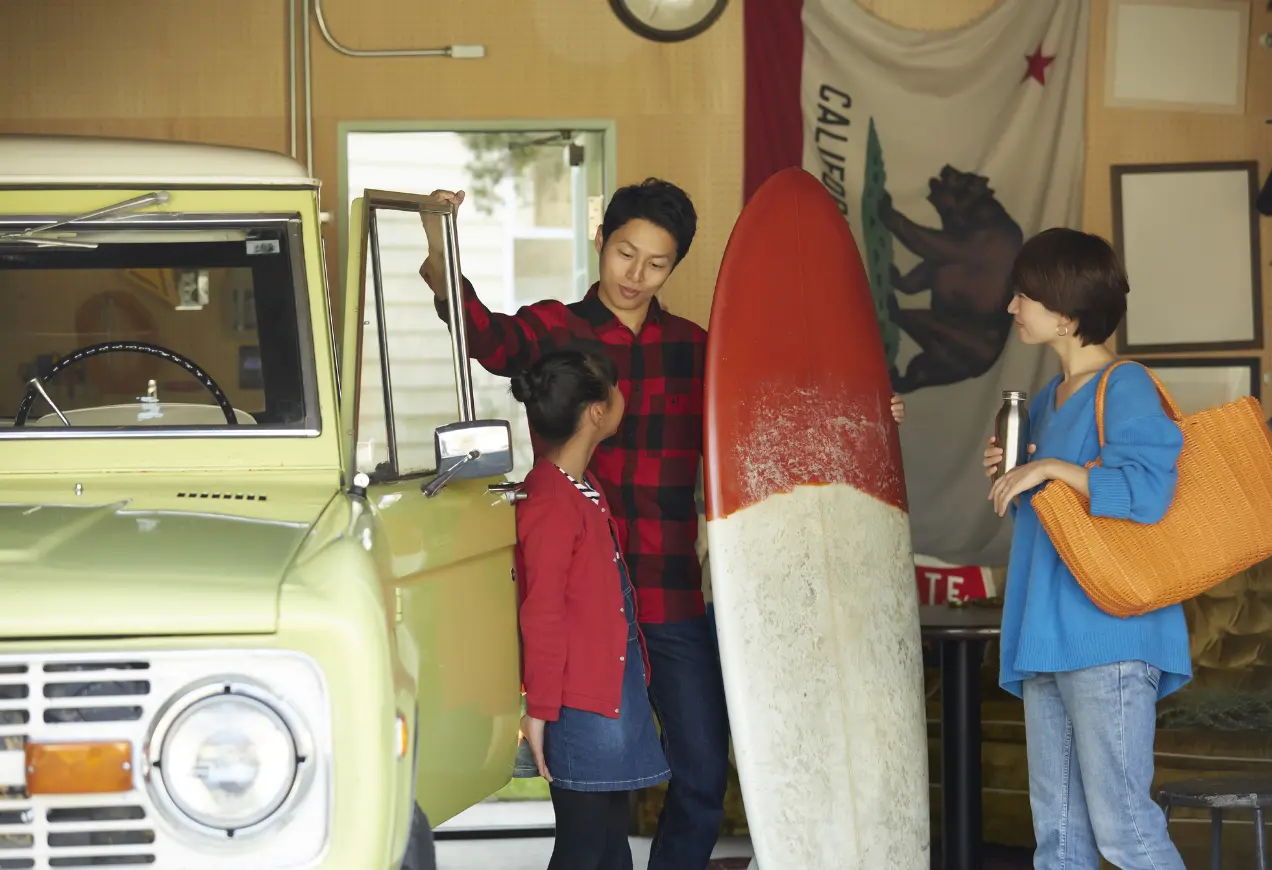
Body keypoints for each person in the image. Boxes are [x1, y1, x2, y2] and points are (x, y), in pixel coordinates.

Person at [422, 179, 904, 869]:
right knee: (594, 803)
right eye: (625, 253)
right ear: (602, 240)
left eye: (656, 263)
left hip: (673, 589)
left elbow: (774, 417)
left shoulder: (698, 348)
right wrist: (440, 251)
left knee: (704, 772)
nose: (635, 275)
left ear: (674, 266)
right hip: (588, 601)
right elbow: (487, 338)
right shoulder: (558, 327)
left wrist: (868, 414)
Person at [983, 227, 1190, 870]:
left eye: (1025, 296)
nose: (1012, 307)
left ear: (1067, 312)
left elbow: (1148, 491)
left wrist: (1049, 470)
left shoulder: (1124, 385)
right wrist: (1019, 474)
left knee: (1124, 830)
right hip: (1047, 637)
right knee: (1060, 841)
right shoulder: (1046, 401)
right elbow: (1057, 518)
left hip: (1108, 639)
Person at [512, 348, 670, 870]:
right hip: (579, 703)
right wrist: (539, 710)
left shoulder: (582, 485)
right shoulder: (551, 500)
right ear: (597, 413)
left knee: (610, 844)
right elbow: (543, 613)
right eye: (615, 388)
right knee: (584, 845)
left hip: (608, 691)